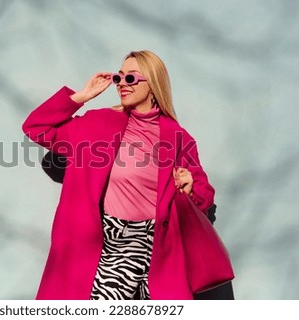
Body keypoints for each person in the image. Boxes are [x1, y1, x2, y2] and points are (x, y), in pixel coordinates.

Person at [22, 50, 215, 300]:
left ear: (153, 83)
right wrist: (81, 96)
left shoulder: (178, 137)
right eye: (119, 78)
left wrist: (190, 189)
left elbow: (203, 192)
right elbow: (36, 127)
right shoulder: (96, 124)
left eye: (131, 79)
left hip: (159, 251)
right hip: (109, 245)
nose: (123, 84)